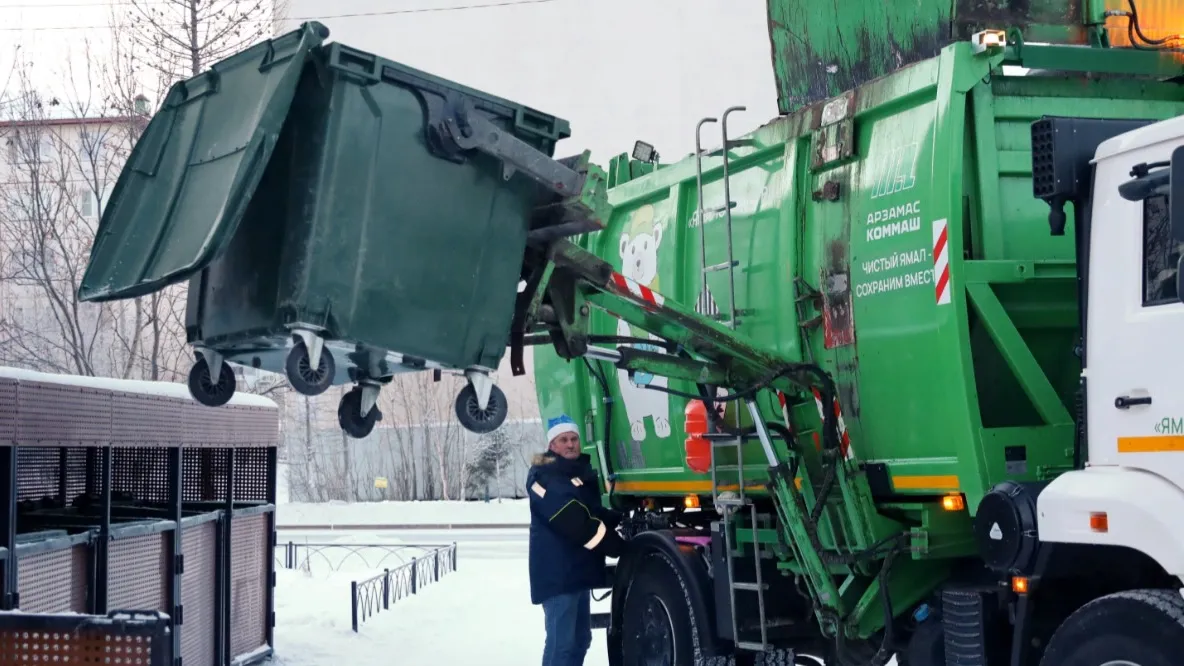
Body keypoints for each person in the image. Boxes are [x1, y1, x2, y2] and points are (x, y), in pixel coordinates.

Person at [527, 414, 627, 666]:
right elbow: (574, 520)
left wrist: (619, 516)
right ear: (552, 446)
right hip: (558, 577)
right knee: (561, 646)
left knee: (581, 640)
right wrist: (616, 545)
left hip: (575, 574)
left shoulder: (574, 475)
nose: (570, 444)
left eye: (574, 439)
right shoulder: (544, 477)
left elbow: (590, 511)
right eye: (564, 440)